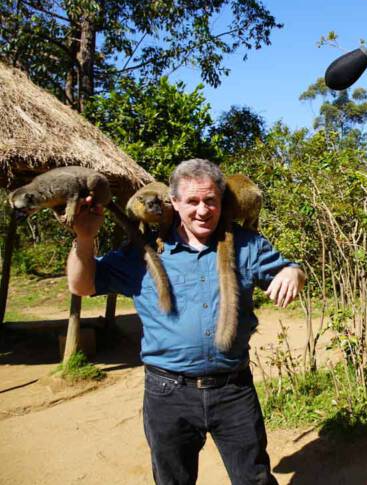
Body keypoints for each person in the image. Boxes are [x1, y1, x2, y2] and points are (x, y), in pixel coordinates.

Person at [67, 159, 305, 485]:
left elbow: (288, 269)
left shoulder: (247, 245)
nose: (203, 210)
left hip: (232, 390)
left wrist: (293, 272)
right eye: (192, 201)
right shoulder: (144, 251)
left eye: (210, 201)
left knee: (255, 479)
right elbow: (82, 285)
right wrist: (83, 238)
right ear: (174, 203)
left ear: (222, 202)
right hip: (167, 394)